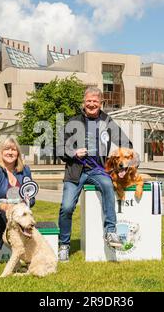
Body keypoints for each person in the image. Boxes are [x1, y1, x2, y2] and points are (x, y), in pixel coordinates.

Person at [57, 86, 132, 262]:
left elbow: (125, 142)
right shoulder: (72, 122)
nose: (91, 104)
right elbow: (59, 148)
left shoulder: (107, 121)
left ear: (101, 103)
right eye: (88, 101)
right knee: (67, 207)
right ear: (84, 102)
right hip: (75, 171)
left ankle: (111, 232)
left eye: (95, 101)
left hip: (98, 170)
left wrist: (123, 159)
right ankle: (64, 245)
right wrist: (74, 152)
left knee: (107, 186)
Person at [0, 136, 35, 268]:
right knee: (4, 217)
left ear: (18, 153)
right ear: (1, 152)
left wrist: (26, 203)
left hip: (17, 213)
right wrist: (7, 207)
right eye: (7, 149)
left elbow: (32, 196)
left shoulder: (25, 170)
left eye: (13, 150)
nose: (10, 152)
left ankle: (26, 256)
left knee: (24, 220)